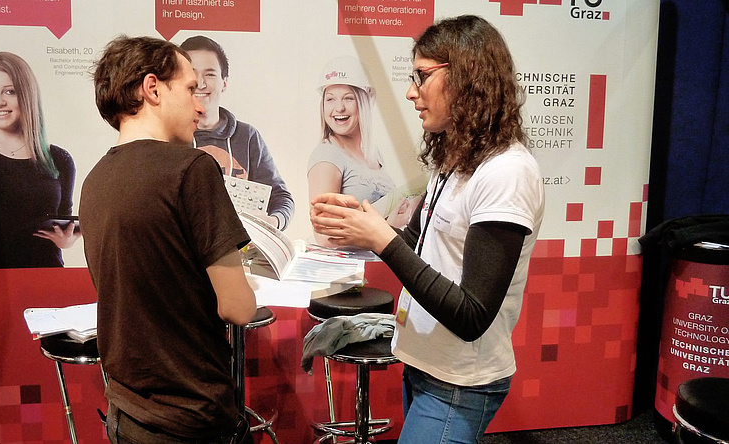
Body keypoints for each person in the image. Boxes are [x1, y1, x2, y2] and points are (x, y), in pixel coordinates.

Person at [310, 15, 545, 444]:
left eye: (422, 76)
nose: (411, 91)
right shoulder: (454, 160)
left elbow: (472, 315)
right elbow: (414, 244)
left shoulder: (507, 173)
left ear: (467, 77)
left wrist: (378, 237)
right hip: (425, 361)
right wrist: (361, 225)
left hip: (460, 380)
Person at [80, 35, 257, 444]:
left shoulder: (95, 180)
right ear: (153, 88)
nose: (200, 104)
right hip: (191, 416)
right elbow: (238, 308)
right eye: (190, 88)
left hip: (126, 413)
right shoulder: (192, 168)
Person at [0, 52, 78, 269]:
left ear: (27, 95)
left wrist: (67, 240)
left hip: (44, 278)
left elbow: (63, 222)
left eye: (9, 91)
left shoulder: (60, 159)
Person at [180, 35, 294, 230]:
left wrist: (273, 223)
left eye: (210, 74)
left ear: (224, 82)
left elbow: (282, 198)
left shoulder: (247, 136)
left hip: (241, 252)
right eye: (192, 73)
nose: (200, 83)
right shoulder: (170, 138)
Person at [307, 56, 397, 245]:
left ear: (364, 101)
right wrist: (389, 229)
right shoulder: (327, 157)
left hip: (378, 264)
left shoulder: (374, 153)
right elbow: (325, 238)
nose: (339, 108)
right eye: (330, 99)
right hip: (351, 270)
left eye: (348, 98)